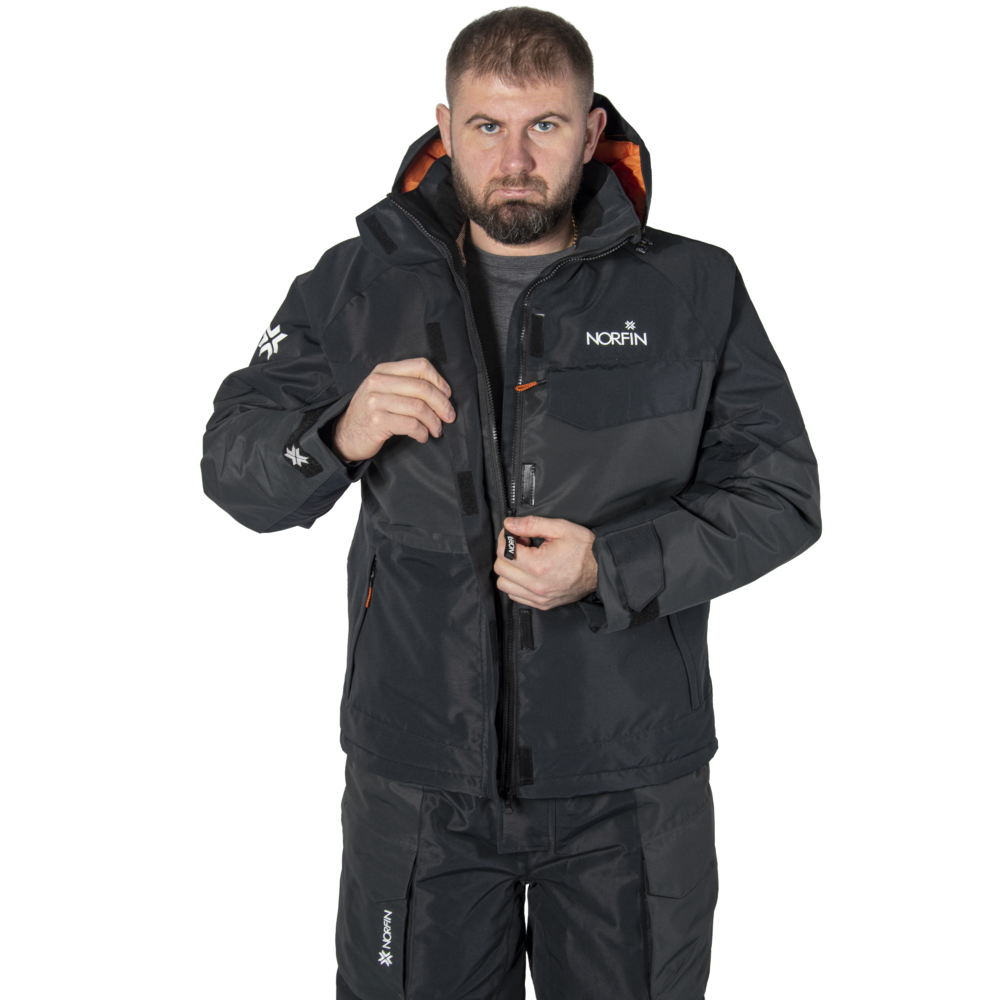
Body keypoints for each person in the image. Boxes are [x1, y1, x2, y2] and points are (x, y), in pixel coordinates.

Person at [201, 7, 821, 998]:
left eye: (546, 125)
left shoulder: (691, 287)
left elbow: (780, 495)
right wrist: (335, 434)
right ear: (445, 128)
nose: (516, 159)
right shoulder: (356, 284)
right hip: (418, 776)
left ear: (592, 128)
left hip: (627, 776)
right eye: (488, 126)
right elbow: (234, 467)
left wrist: (608, 565)